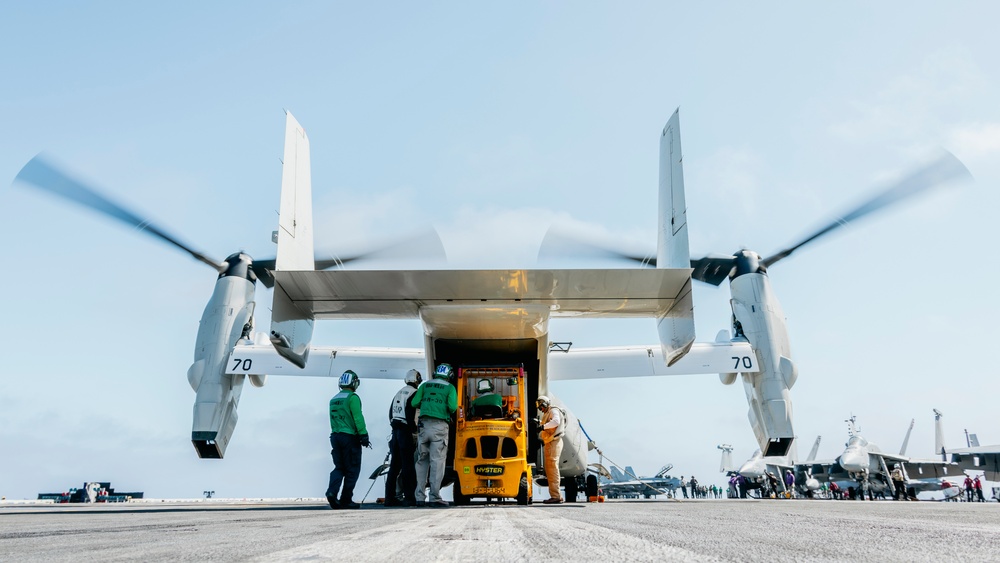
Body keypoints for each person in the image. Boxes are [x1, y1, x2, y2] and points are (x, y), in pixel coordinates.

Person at [410, 362, 458, 508]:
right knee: (437, 461)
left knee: (422, 460)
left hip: (423, 426)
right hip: (439, 427)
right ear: (449, 375)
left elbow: (414, 403)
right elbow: (453, 407)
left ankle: (419, 497)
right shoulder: (450, 388)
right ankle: (434, 497)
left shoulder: (425, 385)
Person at [325, 370, 370, 510]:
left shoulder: (334, 399)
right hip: (349, 438)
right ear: (353, 382)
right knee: (352, 469)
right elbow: (358, 417)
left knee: (339, 468)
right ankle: (346, 499)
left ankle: (332, 492)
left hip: (335, 436)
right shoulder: (352, 398)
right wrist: (363, 434)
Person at [384, 369, 421, 507]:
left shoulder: (399, 392)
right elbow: (411, 413)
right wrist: (414, 431)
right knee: (408, 466)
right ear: (417, 380)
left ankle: (389, 498)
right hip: (405, 432)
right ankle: (409, 497)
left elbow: (390, 413)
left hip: (395, 431)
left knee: (394, 466)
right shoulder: (414, 393)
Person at [536, 394, 565, 504]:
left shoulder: (553, 410)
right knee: (550, 469)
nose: (541, 409)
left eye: (541, 406)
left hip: (554, 442)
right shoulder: (548, 413)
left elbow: (556, 422)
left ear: (545, 404)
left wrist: (543, 427)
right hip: (550, 442)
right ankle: (556, 495)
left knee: (552, 469)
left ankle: (556, 496)